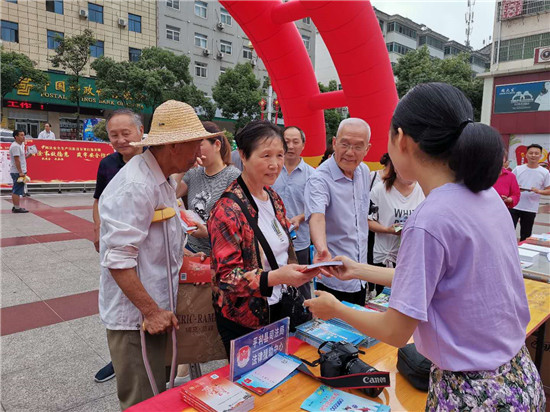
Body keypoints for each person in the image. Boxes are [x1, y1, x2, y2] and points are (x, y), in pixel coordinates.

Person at [304, 83, 545, 411]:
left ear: (400, 139)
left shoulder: (429, 219)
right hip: (518, 380)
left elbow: (395, 331)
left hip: (471, 393)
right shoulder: (485, 196)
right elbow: (439, 282)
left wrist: (336, 310)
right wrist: (357, 269)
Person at [98, 100, 222, 409]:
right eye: (195, 143)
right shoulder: (135, 186)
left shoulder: (164, 180)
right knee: (144, 401)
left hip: (158, 310)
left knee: (161, 394)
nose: (199, 151)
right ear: (173, 145)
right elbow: (118, 260)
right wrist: (151, 312)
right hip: (137, 319)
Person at [208, 121, 320, 356]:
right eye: (266, 155)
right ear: (243, 156)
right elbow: (226, 277)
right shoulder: (227, 209)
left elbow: (281, 247)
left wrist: (296, 271)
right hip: (245, 320)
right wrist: (275, 277)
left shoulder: (273, 197)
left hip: (278, 308)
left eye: (280, 155)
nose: (275, 164)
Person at [92, 109, 144, 384]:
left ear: (140, 131)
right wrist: (97, 229)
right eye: (114, 135)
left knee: (148, 298)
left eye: (126, 133)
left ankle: (159, 357)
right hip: (116, 244)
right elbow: (98, 199)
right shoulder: (108, 164)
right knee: (119, 301)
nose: (121, 140)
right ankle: (119, 358)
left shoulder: (153, 161)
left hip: (147, 245)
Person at [304, 118, 371, 304]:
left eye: (358, 146)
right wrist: (321, 249)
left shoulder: (363, 171)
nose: (350, 153)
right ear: (334, 143)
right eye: (345, 144)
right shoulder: (319, 179)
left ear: (368, 149)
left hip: (361, 274)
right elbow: (316, 217)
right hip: (336, 276)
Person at [175, 121, 240, 255]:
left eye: (199, 145)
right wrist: (183, 166)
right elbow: (171, 193)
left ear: (216, 145)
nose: (194, 151)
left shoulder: (233, 177)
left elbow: (238, 222)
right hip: (191, 250)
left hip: (221, 254)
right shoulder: (193, 173)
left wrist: (208, 232)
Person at [272, 126, 315, 299]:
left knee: (301, 285)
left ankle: (304, 320)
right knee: (275, 283)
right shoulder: (271, 170)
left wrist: (300, 217)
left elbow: (316, 207)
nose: (290, 146)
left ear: (303, 145)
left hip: (300, 241)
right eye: (286, 141)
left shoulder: (312, 175)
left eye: (295, 142)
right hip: (272, 240)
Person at [368, 155, 424, 270]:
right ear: (396, 168)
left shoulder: (423, 190)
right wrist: (388, 230)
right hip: (385, 257)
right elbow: (368, 221)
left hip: (413, 257)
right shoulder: (379, 190)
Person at [511, 143, 550, 241]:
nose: (533, 155)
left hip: (530, 208)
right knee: (509, 231)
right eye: (531, 153)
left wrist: (539, 191)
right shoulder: (518, 169)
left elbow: (548, 190)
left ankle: (524, 254)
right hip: (514, 205)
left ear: (540, 155)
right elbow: (509, 185)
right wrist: (516, 188)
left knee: (526, 234)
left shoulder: (545, 172)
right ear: (526, 154)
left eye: (536, 153)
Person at [367, 153, 390, 267]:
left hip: (389, 223)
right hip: (373, 220)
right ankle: (371, 284)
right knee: (371, 254)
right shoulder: (373, 176)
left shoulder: (406, 183)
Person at [9, 130, 33, 213]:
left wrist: (28, 155)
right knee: (17, 189)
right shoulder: (15, 146)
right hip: (17, 172)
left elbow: (21, 158)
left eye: (24, 135)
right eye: (21, 135)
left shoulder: (21, 144)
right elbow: (17, 160)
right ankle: (16, 208)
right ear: (16, 137)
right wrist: (20, 172)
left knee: (18, 189)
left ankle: (16, 206)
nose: (24, 137)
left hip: (21, 170)